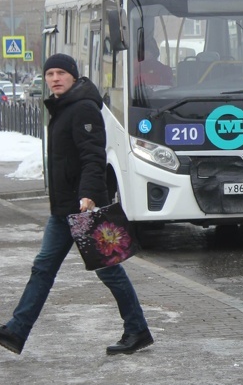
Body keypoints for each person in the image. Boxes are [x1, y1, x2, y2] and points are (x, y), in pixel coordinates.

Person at [0, 54, 153, 356]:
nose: (55, 78)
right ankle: (16, 331)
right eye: (50, 74)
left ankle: (137, 330)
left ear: (73, 76)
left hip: (84, 209)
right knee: (43, 269)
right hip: (64, 212)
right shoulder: (63, 107)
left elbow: (92, 155)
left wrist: (89, 196)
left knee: (108, 271)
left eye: (61, 73)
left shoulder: (82, 108)